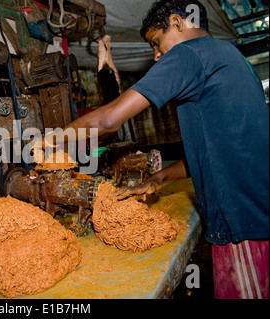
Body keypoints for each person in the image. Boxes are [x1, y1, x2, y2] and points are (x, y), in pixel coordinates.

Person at [50, 0, 269, 299]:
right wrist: (159, 178)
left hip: (245, 223)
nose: (156, 56)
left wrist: (50, 140)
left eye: (157, 42)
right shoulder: (228, 55)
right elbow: (219, 148)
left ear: (178, 23)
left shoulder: (188, 54)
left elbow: (109, 120)